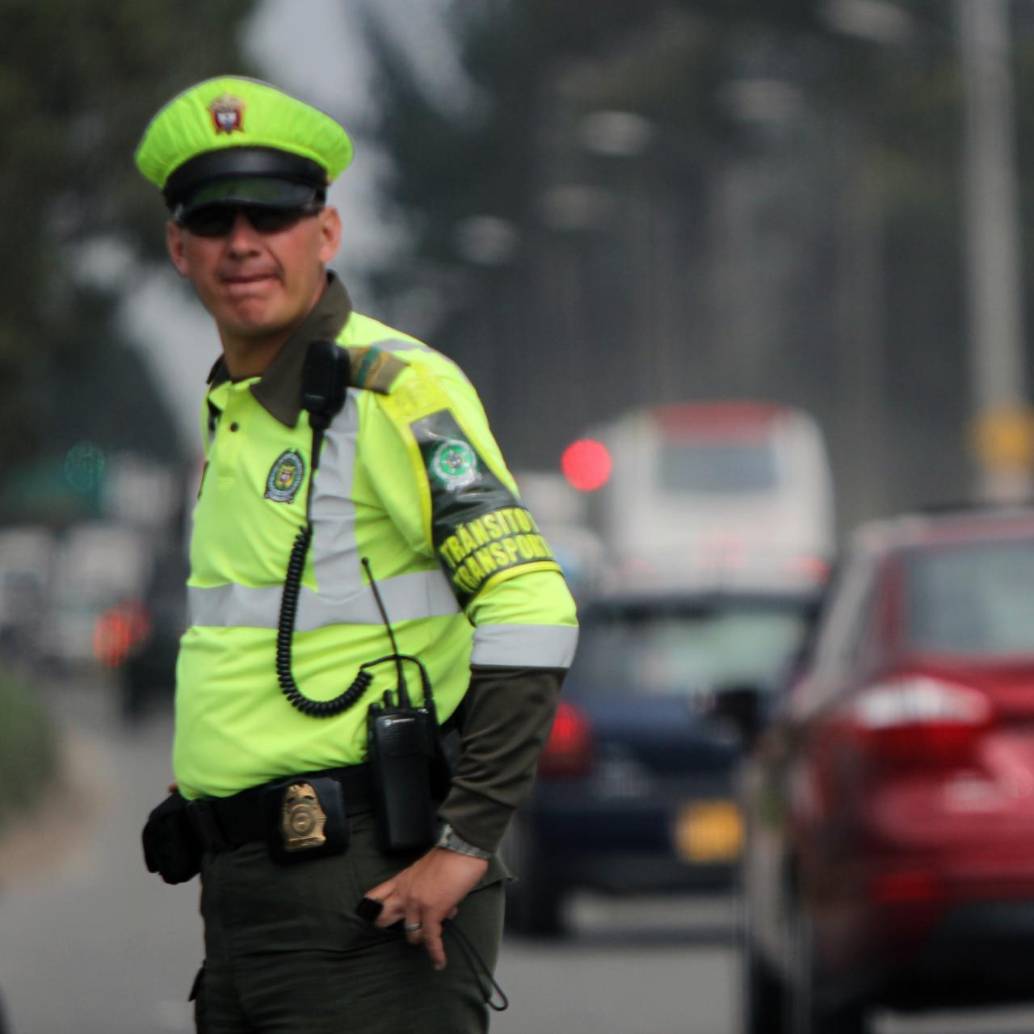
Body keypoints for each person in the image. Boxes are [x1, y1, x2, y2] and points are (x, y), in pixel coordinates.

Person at [134, 76, 578, 1033]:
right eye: (213, 219)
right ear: (179, 248)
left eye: (274, 214)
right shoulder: (237, 414)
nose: (243, 242)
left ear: (325, 233)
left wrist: (465, 847)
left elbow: (533, 605)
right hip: (246, 898)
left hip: (371, 897)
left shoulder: (392, 392)